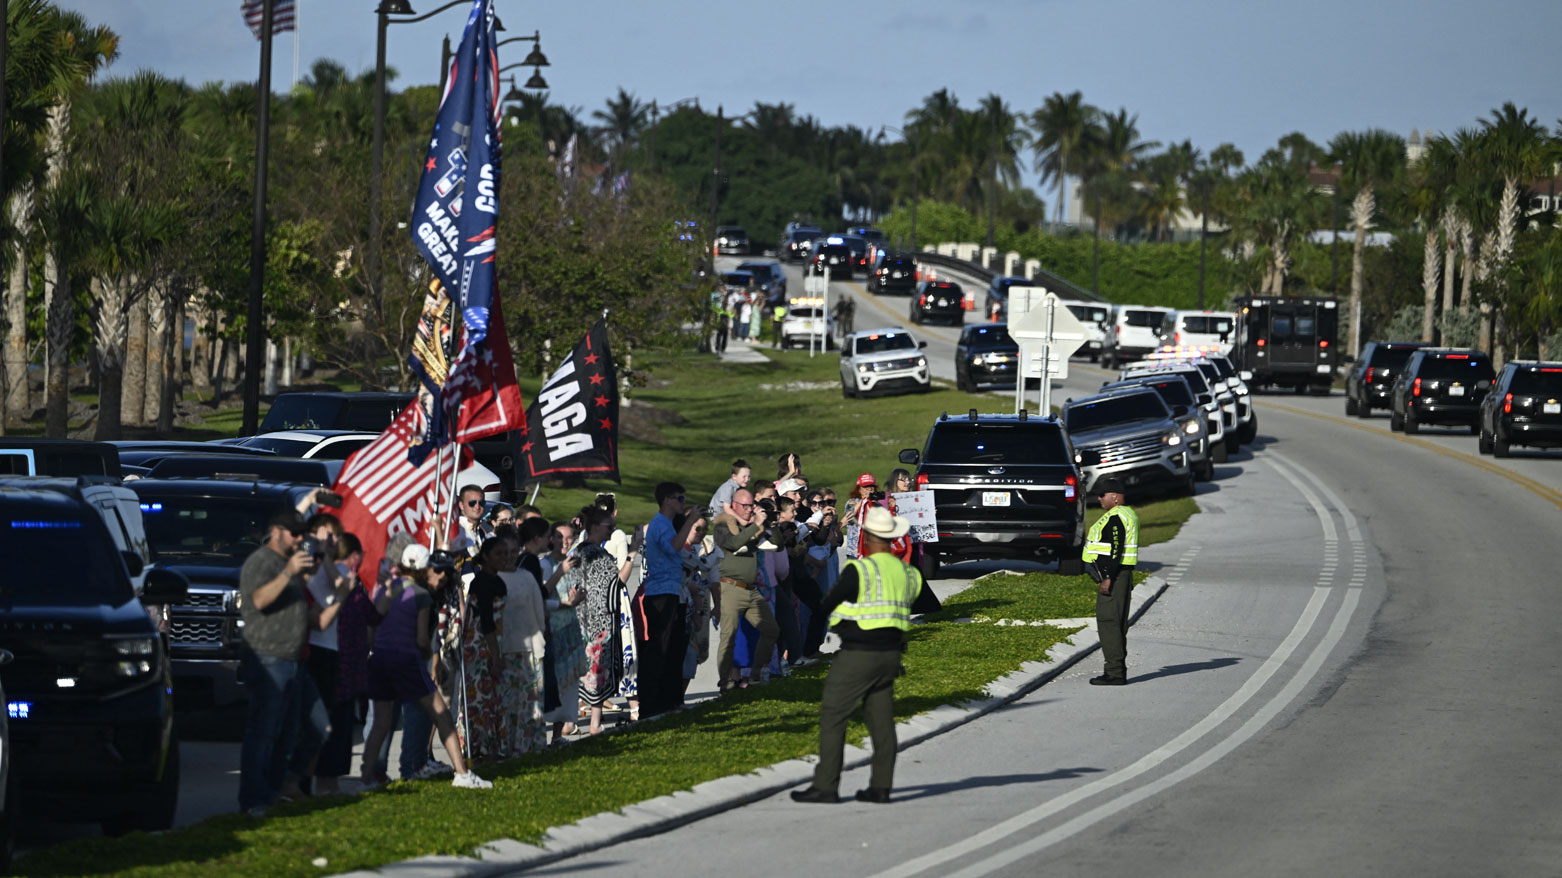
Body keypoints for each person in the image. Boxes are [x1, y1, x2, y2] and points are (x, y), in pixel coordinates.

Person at [791, 506, 926, 805]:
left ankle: (826, 786)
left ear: (867, 536)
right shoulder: (909, 574)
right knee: (882, 721)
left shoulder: (860, 570)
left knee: (834, 714)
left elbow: (826, 605)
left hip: (858, 654)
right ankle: (881, 786)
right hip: (891, 655)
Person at [360, 544, 492, 790]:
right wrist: (427, 656)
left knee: (381, 723)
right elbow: (422, 638)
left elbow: (371, 625)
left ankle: (367, 778)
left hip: (380, 659)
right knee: (442, 715)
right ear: (424, 568)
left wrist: (372, 649)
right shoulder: (420, 595)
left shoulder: (387, 590)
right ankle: (462, 773)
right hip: (407, 660)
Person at [236, 509, 329, 815]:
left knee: (305, 729)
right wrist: (289, 573)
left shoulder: (288, 564)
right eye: (294, 533)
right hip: (268, 657)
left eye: (303, 534)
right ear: (276, 532)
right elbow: (258, 600)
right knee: (264, 731)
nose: (300, 539)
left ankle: (277, 789)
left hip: (293, 659)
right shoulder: (261, 561)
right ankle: (254, 800)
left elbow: (308, 614)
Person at [304, 526, 362, 796]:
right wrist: (324, 557)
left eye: (335, 538)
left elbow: (342, 588)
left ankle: (324, 781)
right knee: (321, 721)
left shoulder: (332, 569)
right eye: (328, 535)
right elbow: (335, 593)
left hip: (336, 652)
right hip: (319, 650)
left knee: (334, 721)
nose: (332, 540)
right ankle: (311, 782)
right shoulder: (320, 568)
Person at [567, 505, 631, 734]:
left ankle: (569, 722)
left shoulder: (578, 550)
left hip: (579, 617)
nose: (612, 531)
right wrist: (632, 555)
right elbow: (617, 583)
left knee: (579, 670)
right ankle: (595, 723)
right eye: (608, 527)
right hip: (599, 621)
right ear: (594, 527)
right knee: (598, 668)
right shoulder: (598, 554)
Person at [638, 482, 700, 717]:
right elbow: (673, 547)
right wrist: (690, 521)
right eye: (679, 499)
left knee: (674, 648)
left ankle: (670, 701)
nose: (683, 503)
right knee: (659, 648)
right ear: (666, 500)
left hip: (672, 591)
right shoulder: (660, 523)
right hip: (660, 593)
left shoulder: (667, 524)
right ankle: (650, 706)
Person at [711, 488, 781, 689]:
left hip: (751, 590)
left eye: (752, 505)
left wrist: (772, 524)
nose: (749, 509)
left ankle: (755, 675)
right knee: (729, 636)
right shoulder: (724, 524)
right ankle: (725, 683)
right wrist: (756, 525)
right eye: (745, 506)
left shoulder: (752, 527)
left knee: (771, 630)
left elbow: (777, 546)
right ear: (734, 505)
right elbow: (733, 543)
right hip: (730, 587)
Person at [457, 535, 511, 761]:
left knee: (492, 698)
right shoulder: (484, 582)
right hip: (481, 646)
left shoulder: (497, 580)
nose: (503, 558)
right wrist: (495, 655)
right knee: (480, 698)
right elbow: (487, 622)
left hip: (492, 643)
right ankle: (480, 747)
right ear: (486, 557)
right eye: (498, 554)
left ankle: (492, 745)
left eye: (505, 553)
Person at [499, 519, 551, 754]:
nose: (510, 557)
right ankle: (508, 747)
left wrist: (541, 637)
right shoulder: (494, 579)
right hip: (506, 649)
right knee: (508, 704)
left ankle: (530, 746)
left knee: (531, 704)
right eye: (504, 552)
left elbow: (539, 611)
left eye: (513, 552)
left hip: (530, 648)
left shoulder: (527, 577)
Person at [1081, 477, 1139, 686]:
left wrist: (1107, 577)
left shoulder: (1116, 517)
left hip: (1115, 576)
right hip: (1119, 575)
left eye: (1102, 495)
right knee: (1116, 623)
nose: (1099, 499)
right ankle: (1116, 671)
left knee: (1109, 623)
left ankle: (1114, 673)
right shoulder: (1125, 514)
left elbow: (1115, 550)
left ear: (1114, 497)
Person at [451, 484, 486, 557]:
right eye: (472, 503)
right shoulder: (456, 530)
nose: (477, 507)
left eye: (481, 503)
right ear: (461, 505)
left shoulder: (481, 532)